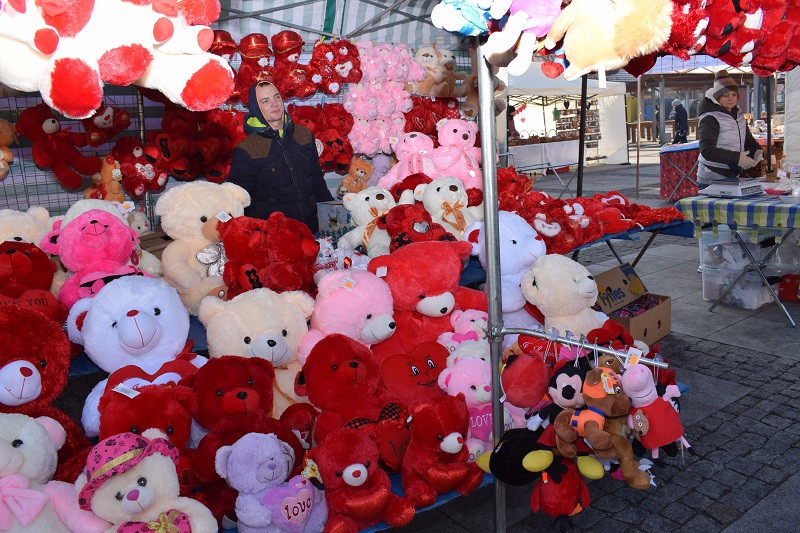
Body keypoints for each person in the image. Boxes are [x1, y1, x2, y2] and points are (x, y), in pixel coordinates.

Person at [227, 78, 333, 234]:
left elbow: (317, 180)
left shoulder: (303, 135)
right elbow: (238, 200)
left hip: (312, 230)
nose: (274, 103)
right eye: (265, 101)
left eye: (277, 97)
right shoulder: (248, 149)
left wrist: (331, 218)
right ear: (256, 108)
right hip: (275, 237)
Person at [697, 70, 762, 187]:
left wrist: (756, 151)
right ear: (717, 97)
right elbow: (707, 150)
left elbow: (747, 140)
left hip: (733, 174)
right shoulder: (710, 117)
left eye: (734, 94)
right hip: (712, 175)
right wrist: (737, 158)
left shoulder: (739, 115)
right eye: (725, 95)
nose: (731, 99)